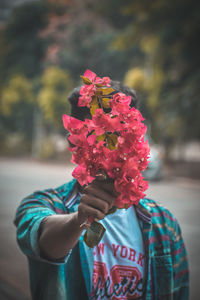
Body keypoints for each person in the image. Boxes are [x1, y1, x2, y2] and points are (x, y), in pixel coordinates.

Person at [14, 81, 189, 300]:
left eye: (121, 135)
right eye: (103, 137)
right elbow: (42, 239)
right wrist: (80, 220)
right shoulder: (45, 203)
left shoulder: (165, 224)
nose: (112, 146)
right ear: (77, 140)